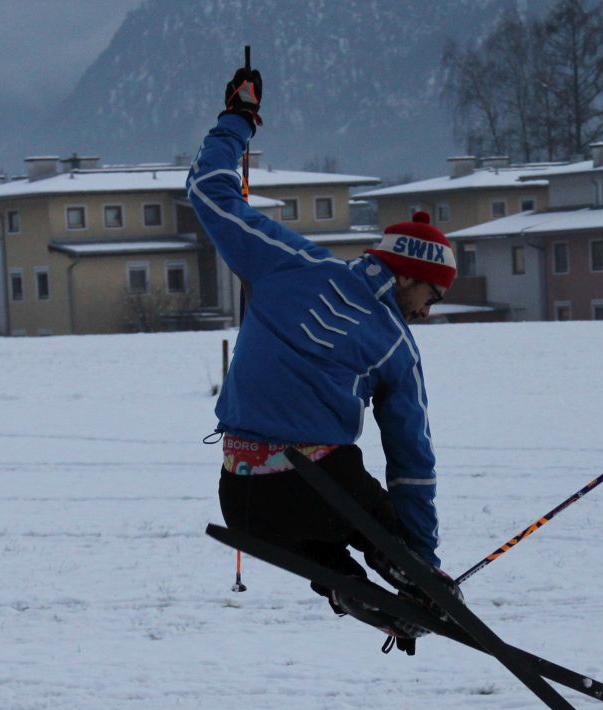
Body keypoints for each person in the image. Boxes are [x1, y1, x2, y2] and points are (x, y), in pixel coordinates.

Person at [187, 66, 461, 653]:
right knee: (357, 507)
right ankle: (405, 580)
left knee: (324, 550)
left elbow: (209, 192)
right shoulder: (394, 344)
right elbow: (412, 461)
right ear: (410, 276)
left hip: (239, 498)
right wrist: (423, 557)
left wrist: (238, 118)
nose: (427, 314)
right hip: (319, 488)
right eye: (430, 297)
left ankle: (352, 590)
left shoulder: (291, 261)